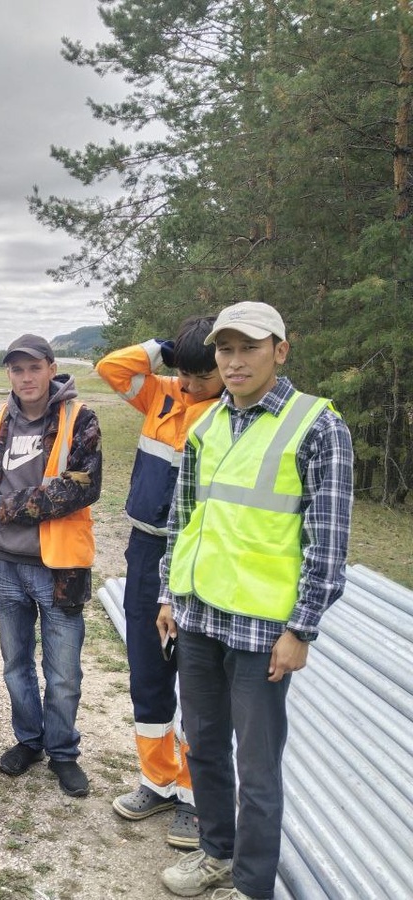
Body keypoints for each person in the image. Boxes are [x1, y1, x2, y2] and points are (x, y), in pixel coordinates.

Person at [157, 301, 353, 900]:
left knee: (259, 768)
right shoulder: (208, 424)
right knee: (204, 746)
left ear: (280, 351)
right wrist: (168, 593)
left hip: (263, 631)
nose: (235, 361)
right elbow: (183, 519)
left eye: (249, 348)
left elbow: (327, 542)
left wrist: (302, 630)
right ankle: (217, 854)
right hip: (199, 616)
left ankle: (251, 885)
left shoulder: (317, 426)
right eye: (226, 349)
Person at [96, 317, 223, 848]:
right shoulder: (163, 392)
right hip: (146, 548)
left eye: (202, 376)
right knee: (148, 674)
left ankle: (196, 797)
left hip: (199, 555)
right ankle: (158, 781)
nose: (190, 384)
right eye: (185, 372)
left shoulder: (232, 413)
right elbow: (111, 367)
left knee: (197, 683)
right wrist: (167, 350)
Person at [0, 334, 102, 797]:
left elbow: (82, 486)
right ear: (9, 373)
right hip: (4, 566)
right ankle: (29, 741)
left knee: (64, 674)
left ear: (51, 369)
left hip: (60, 568)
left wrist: (9, 508)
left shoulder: (80, 419)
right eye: (17, 369)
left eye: (34, 368)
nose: (26, 377)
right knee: (15, 664)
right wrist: (1, 516)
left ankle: (63, 752)